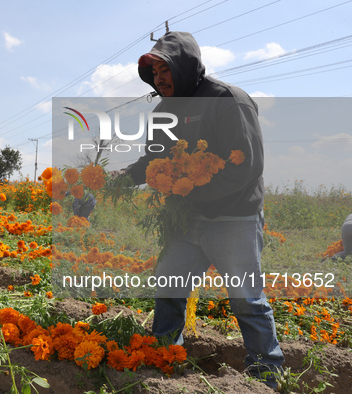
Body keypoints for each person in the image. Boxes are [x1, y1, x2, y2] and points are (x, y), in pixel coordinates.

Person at [120, 31, 284, 388]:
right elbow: (155, 160)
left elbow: (246, 166)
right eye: (155, 72)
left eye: (166, 69)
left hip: (233, 219)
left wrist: (192, 193)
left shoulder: (229, 100)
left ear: (185, 65)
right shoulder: (164, 111)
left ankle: (267, 375)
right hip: (186, 219)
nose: (160, 79)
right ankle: (164, 358)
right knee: (168, 288)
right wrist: (122, 177)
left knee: (246, 299)